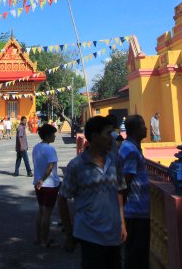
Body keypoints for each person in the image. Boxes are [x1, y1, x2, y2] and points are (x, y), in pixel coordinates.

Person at [59, 115, 127, 269]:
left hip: (113, 233)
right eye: (108, 133)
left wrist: (122, 222)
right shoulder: (76, 166)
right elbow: (62, 198)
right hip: (89, 234)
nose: (112, 138)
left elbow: (119, 191)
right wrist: (69, 233)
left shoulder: (114, 161)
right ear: (95, 137)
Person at [119, 115, 150, 269]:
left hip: (137, 211)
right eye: (142, 125)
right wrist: (121, 216)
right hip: (134, 211)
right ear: (134, 130)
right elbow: (125, 184)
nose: (146, 128)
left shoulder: (130, 147)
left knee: (135, 254)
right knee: (136, 256)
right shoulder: (131, 151)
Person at [33, 123, 60, 248]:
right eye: (53, 134)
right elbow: (50, 168)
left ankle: (38, 238)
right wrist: (42, 180)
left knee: (40, 211)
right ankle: (44, 240)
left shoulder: (36, 147)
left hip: (38, 184)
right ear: (48, 136)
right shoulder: (50, 149)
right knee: (47, 213)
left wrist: (39, 181)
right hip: (49, 184)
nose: (55, 136)